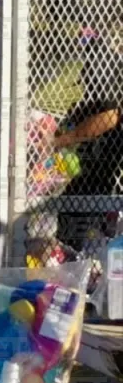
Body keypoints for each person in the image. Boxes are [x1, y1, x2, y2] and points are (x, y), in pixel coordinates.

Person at [55, 28, 123, 255]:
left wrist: (64, 140)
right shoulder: (90, 100)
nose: (83, 76)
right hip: (94, 175)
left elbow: (109, 118)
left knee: (73, 214)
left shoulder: (108, 95)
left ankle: (71, 261)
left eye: (88, 71)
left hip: (98, 174)